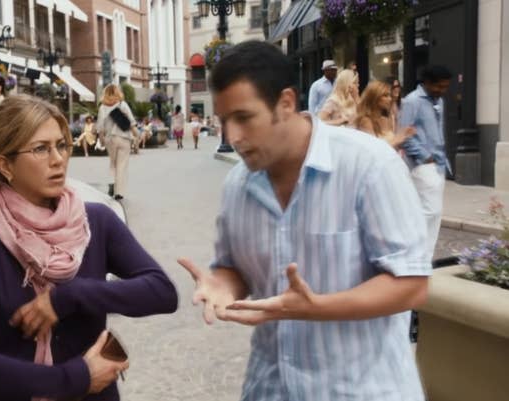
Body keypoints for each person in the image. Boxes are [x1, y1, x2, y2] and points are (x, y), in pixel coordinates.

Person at [179, 40, 430, 401]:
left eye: (244, 118)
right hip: (269, 389)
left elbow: (411, 283)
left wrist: (317, 309)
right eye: (223, 121)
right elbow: (233, 268)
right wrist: (221, 285)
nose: (232, 137)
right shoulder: (238, 185)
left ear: (285, 103)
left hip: (362, 391)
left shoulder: (370, 166)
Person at [0, 95, 178, 401]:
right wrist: (75, 378)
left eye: (61, 145)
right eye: (41, 149)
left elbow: (161, 292)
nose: (58, 159)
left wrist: (69, 296)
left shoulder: (96, 222)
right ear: (5, 165)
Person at [400, 65, 452, 263]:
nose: (442, 90)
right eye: (439, 86)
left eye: (445, 87)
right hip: (423, 164)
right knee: (429, 211)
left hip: (439, 164)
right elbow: (404, 132)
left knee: (434, 213)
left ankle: (425, 258)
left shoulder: (439, 101)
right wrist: (424, 156)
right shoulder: (413, 101)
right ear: (427, 83)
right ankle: (416, 257)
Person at [96, 84, 136, 200]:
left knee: (113, 163)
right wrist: (136, 135)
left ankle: (111, 183)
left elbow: (100, 126)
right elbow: (132, 122)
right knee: (122, 165)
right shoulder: (122, 104)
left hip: (110, 139)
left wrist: (101, 139)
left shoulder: (102, 107)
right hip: (124, 138)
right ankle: (119, 192)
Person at [355, 80, 416, 149]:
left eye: (389, 95)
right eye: (385, 96)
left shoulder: (386, 118)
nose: (390, 99)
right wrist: (398, 139)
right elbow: (373, 150)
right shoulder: (366, 121)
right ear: (374, 97)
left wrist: (403, 136)